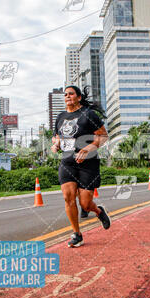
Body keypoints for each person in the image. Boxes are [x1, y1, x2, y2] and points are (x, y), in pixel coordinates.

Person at [51, 85, 110, 247]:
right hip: (67, 162)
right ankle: (77, 234)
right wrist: (55, 144)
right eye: (65, 94)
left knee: (85, 204)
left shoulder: (88, 114)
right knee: (68, 197)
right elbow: (56, 137)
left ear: (78, 97)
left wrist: (89, 148)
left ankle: (98, 211)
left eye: (71, 94)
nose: (67, 96)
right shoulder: (60, 116)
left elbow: (103, 136)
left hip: (88, 164)